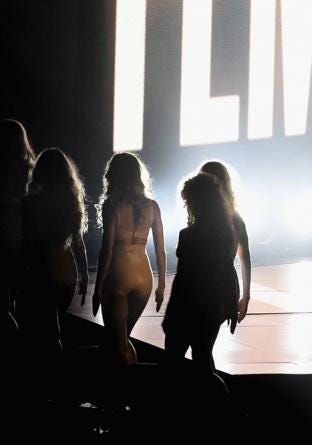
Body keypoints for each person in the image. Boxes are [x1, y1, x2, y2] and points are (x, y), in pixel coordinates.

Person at [162, 173, 242, 370]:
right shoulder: (227, 234)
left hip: (186, 307)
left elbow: (182, 279)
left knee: (173, 360)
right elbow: (227, 271)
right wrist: (230, 305)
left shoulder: (187, 235)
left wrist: (171, 316)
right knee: (203, 356)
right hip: (211, 306)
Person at [93, 153, 166, 364]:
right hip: (143, 279)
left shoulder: (112, 206)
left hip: (118, 277)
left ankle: (125, 383)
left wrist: (97, 289)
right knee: (123, 339)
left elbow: (107, 251)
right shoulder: (152, 207)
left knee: (119, 342)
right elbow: (160, 250)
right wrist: (161, 285)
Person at [16, 148, 88, 353]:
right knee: (54, 326)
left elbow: (26, 244)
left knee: (45, 331)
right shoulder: (71, 202)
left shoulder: (31, 203)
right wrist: (84, 276)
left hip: (43, 271)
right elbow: (78, 242)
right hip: (67, 274)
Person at [198, 160, 251, 324]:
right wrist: (246, 297)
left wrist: (246, 297)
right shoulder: (235, 217)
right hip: (224, 283)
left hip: (210, 284)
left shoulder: (203, 216)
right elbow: (245, 259)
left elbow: (245, 259)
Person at [0, 119, 36, 336]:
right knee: (16, 287)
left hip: (8, 229)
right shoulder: (29, 168)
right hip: (22, 231)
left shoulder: (5, 167)